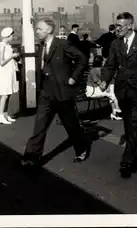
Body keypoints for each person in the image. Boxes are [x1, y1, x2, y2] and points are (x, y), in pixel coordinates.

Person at [22, 18, 89, 168]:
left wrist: (73, 78)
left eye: (39, 29)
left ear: (49, 30)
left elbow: (82, 59)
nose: (36, 31)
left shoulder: (63, 45)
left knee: (71, 126)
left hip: (62, 92)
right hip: (46, 93)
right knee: (39, 126)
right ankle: (31, 158)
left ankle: (81, 149)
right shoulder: (41, 46)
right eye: (36, 29)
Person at [100, 12, 137, 179]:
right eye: (116, 25)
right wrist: (105, 80)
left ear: (130, 26)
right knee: (128, 124)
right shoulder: (115, 44)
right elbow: (110, 65)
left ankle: (127, 161)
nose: (116, 29)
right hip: (122, 90)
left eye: (120, 26)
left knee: (136, 123)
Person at [0, 27, 20, 124]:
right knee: (5, 94)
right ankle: (0, 116)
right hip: (4, 73)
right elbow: (2, 62)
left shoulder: (7, 45)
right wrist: (12, 56)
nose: (13, 37)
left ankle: (5, 114)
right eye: (12, 35)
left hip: (8, 72)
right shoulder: (2, 46)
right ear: (7, 36)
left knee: (8, 94)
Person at [86, 56, 122, 120]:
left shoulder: (99, 69)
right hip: (92, 91)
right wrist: (105, 87)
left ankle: (114, 114)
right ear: (100, 62)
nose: (104, 62)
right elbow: (97, 81)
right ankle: (117, 108)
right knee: (111, 93)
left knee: (111, 92)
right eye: (103, 61)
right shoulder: (94, 70)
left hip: (96, 88)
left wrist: (106, 86)